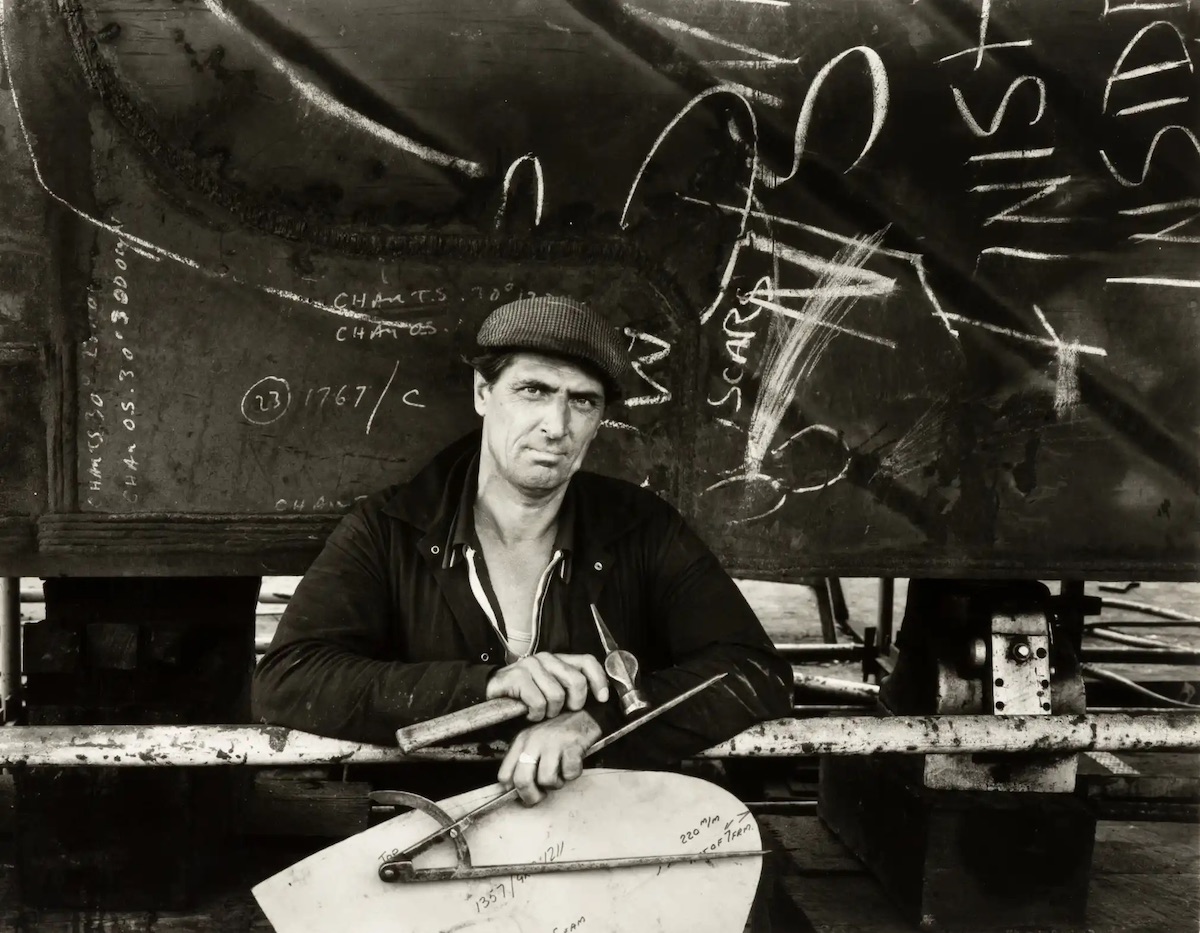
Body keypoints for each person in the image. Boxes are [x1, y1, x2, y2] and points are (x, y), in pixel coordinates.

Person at [252, 295, 793, 805]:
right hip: (427, 838)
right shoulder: (389, 527)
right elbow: (289, 680)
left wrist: (597, 725)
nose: (556, 426)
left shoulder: (642, 529)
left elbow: (754, 672)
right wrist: (485, 685)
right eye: (533, 390)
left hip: (603, 842)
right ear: (483, 393)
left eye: (582, 401)